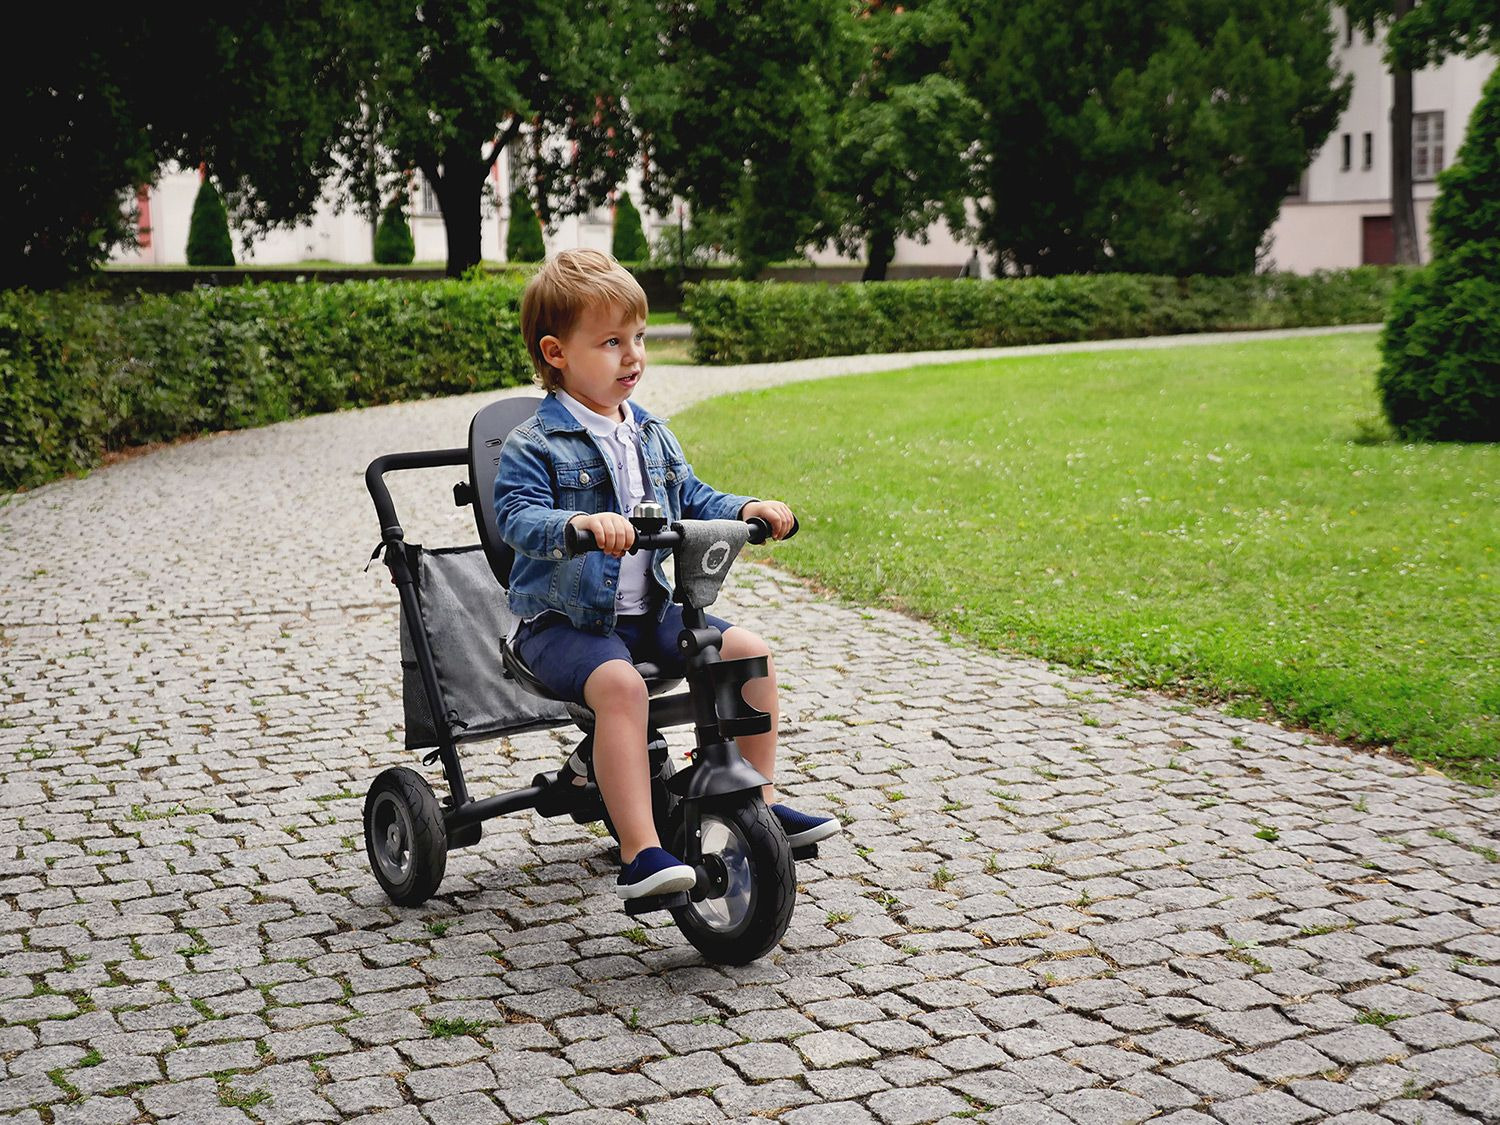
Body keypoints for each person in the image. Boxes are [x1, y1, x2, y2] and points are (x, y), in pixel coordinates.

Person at [493, 249, 841, 899]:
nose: (634, 356)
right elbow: (516, 517)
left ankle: (760, 804)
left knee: (746, 652)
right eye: (612, 342)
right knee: (622, 687)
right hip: (563, 625)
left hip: (649, 612)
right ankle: (641, 849)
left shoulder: (650, 432)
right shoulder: (533, 443)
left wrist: (745, 509)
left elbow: (694, 497)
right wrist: (579, 522)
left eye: (640, 338)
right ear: (557, 352)